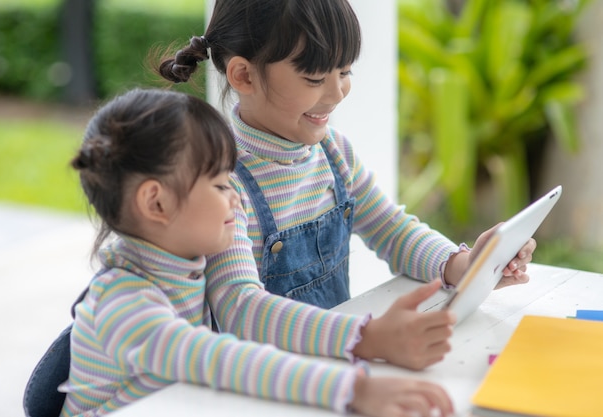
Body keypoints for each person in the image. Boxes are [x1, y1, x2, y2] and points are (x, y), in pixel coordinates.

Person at [156, 0, 536, 368]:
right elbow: (241, 308)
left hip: (332, 368)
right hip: (264, 383)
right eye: (315, 78)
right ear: (244, 76)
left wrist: (463, 265)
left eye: (345, 72)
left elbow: (392, 229)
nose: (337, 93)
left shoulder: (333, 152)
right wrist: (366, 336)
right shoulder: (222, 182)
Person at [58, 88, 454, 417]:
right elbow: (219, 359)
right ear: (156, 203)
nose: (236, 198)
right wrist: (355, 389)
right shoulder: (121, 303)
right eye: (219, 185)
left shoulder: (184, 264)